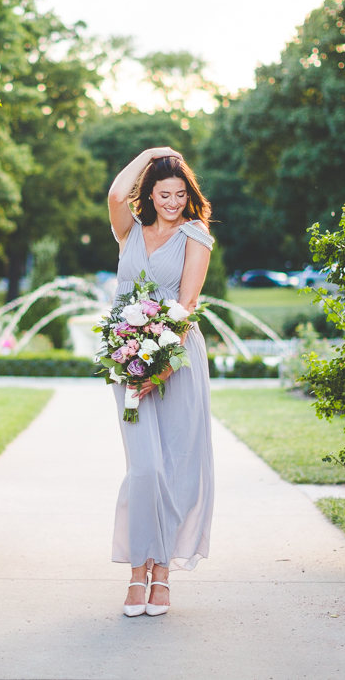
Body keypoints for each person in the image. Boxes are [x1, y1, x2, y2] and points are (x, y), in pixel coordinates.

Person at [106, 146, 215, 618]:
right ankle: (136, 571)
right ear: (148, 194)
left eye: (179, 193)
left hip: (176, 362)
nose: (171, 201)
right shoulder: (128, 230)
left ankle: (162, 574)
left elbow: (187, 304)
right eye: (163, 193)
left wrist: (164, 366)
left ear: (187, 195)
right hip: (125, 362)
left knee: (176, 466)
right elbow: (113, 192)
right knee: (144, 467)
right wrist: (153, 153)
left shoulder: (195, 234)